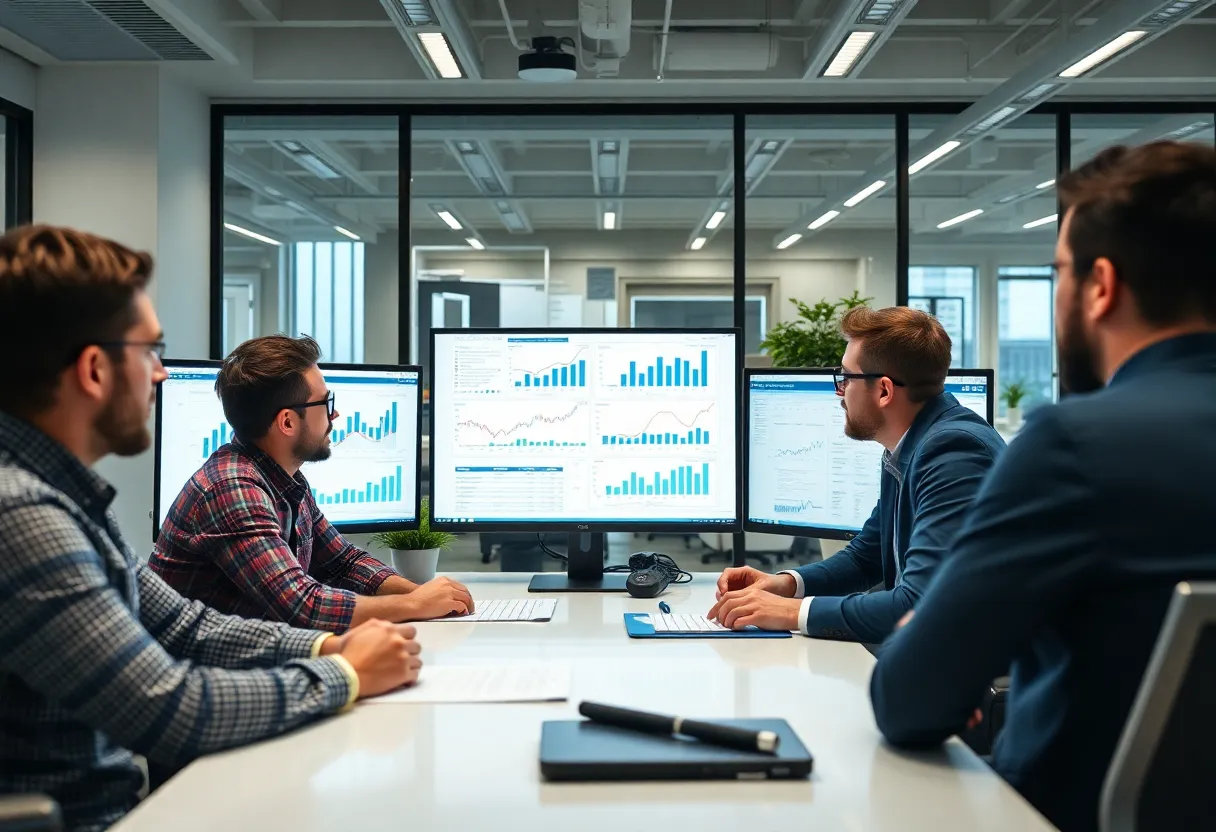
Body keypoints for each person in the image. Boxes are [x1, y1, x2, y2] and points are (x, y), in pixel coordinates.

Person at [0, 225, 423, 832]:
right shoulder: (23, 518)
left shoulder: (64, 498)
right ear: (94, 370)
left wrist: (326, 646)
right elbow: (172, 708)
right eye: (150, 351)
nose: (162, 375)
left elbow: (180, 624)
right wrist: (347, 672)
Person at [869, 140, 1216, 832]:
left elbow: (910, 700)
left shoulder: (1076, 445)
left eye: (1057, 272)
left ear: (1100, 286)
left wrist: (924, 630)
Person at [709, 306, 1005, 643]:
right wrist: (785, 584)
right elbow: (867, 557)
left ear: (883, 391)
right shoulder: (910, 445)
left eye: (846, 378)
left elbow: (919, 606)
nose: (839, 392)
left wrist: (791, 612)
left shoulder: (954, 453)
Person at [149, 335, 474, 633]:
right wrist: (414, 605)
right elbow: (302, 606)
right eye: (325, 403)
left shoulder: (283, 477)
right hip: (203, 677)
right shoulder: (231, 489)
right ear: (287, 422)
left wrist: (422, 594)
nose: (335, 416)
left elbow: (342, 561)